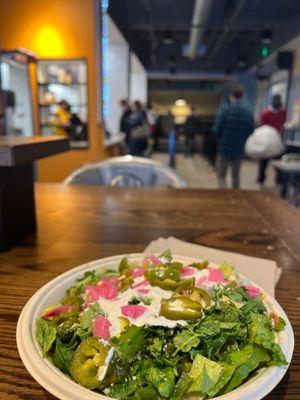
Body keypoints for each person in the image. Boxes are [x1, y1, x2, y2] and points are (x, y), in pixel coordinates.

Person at [213, 84, 254, 189]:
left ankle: (224, 196)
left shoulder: (225, 111)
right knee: (236, 176)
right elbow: (251, 131)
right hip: (239, 149)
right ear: (242, 95)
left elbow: (216, 130)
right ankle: (236, 198)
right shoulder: (248, 113)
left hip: (224, 148)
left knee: (221, 176)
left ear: (231, 95)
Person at [257, 94, 286, 186]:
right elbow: (262, 127)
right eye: (275, 100)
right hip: (267, 139)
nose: (277, 102)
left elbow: (283, 124)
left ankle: (279, 180)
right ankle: (261, 179)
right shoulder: (266, 113)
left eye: (278, 100)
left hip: (277, 140)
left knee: (278, 161)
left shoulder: (283, 112)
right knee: (263, 162)